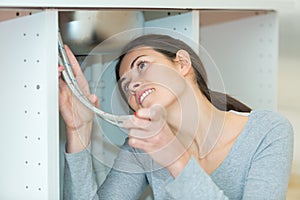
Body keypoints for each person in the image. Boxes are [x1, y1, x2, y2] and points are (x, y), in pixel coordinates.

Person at [59, 34, 293, 199]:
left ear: (182, 63)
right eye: (125, 85)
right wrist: (78, 130)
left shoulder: (267, 131)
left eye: (142, 65)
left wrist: (175, 159)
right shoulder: (141, 150)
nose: (133, 85)